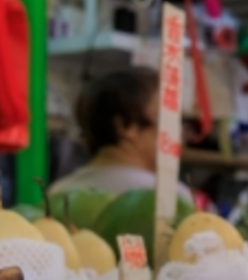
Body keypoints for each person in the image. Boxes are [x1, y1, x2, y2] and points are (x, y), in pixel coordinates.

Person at [51, 68, 184, 198]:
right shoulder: (168, 198)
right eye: (167, 117)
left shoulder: (57, 192)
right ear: (126, 126)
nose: (179, 130)